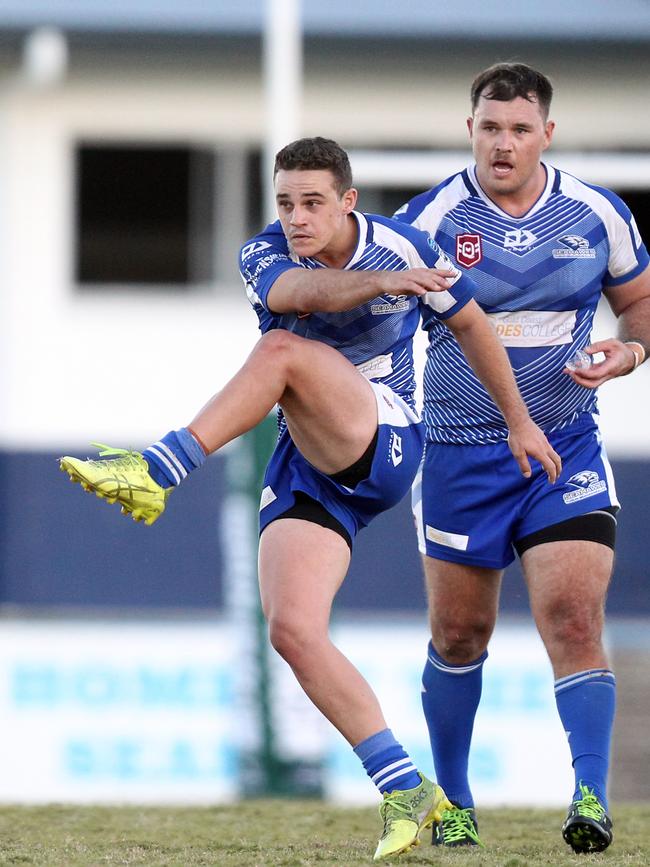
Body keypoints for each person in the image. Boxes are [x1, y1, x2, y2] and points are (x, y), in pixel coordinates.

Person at [60, 136, 560, 860]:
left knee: (280, 354)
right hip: (311, 456)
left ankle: (158, 469)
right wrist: (388, 284)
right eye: (286, 202)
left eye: (313, 203)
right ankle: (406, 790)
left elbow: (473, 324)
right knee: (292, 629)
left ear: (348, 202)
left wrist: (519, 420)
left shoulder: (404, 244)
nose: (296, 217)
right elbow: (305, 294)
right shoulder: (265, 256)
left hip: (384, 436)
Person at [394, 63, 650, 854]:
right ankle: (458, 802)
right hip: (460, 457)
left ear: (547, 133)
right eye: (489, 127)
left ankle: (590, 799)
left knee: (574, 619)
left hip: (564, 447)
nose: (503, 143)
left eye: (519, 128)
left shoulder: (595, 214)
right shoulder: (431, 217)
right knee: (461, 634)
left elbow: (640, 300)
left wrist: (629, 348)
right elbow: (378, 302)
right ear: (468, 129)